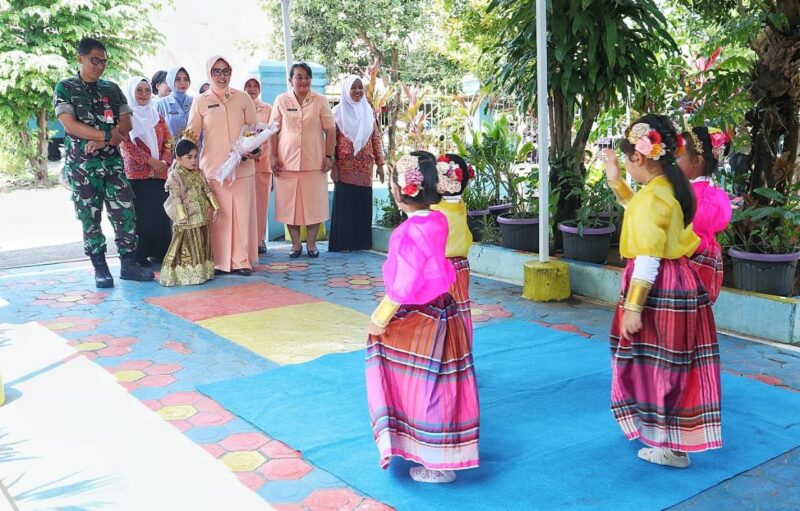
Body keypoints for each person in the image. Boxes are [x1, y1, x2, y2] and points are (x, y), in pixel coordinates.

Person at [603, 114, 721, 469]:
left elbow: (648, 256)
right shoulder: (670, 190)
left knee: (655, 368)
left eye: (627, 160)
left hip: (657, 290)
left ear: (639, 157)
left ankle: (664, 442)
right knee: (677, 366)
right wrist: (616, 181)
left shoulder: (653, 199)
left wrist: (634, 308)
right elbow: (642, 212)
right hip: (680, 284)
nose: (626, 165)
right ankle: (676, 443)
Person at [366, 153, 480, 484]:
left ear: (402, 191)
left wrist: (380, 318)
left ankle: (431, 455)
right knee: (440, 382)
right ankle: (438, 450)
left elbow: (403, 285)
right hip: (443, 310)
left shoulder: (405, 233)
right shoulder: (440, 220)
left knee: (419, 382)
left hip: (416, 317)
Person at [53, 37, 154, 288]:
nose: (99, 66)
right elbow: (70, 124)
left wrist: (104, 141)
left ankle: (128, 264)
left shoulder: (111, 88)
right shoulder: (65, 87)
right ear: (80, 58)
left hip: (112, 164)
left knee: (125, 211)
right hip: (83, 167)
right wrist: (107, 136)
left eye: (103, 61)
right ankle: (100, 267)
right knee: (90, 215)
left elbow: (126, 125)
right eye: (94, 60)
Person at [186, 55, 259, 275]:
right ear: (209, 73)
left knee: (242, 214)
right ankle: (217, 261)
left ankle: (242, 260)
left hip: (242, 167)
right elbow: (191, 134)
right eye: (217, 71)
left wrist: (252, 150)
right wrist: (185, 161)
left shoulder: (243, 97)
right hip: (214, 170)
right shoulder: (201, 101)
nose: (221, 75)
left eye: (226, 71)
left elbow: (255, 131)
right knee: (218, 216)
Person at [270, 62, 336, 258]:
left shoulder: (320, 100)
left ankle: (312, 245)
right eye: (299, 77)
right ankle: (296, 245)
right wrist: (272, 156)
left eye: (307, 77)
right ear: (290, 80)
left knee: (313, 206)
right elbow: (273, 130)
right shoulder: (281, 100)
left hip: (314, 162)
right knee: (289, 206)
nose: (303, 81)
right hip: (286, 162)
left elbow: (330, 129)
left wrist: (329, 156)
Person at [119, 76, 173, 267]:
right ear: (131, 93)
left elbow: (169, 140)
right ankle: (140, 256)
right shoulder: (126, 116)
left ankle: (160, 252)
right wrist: (150, 162)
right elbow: (125, 144)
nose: (143, 94)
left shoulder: (156, 115)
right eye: (139, 91)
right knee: (141, 216)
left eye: (147, 90)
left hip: (159, 174)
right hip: (138, 175)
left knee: (160, 214)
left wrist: (163, 162)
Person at [328, 75, 385, 252]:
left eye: (360, 87)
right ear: (346, 90)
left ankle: (361, 243)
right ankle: (343, 243)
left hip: (365, 166)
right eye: (353, 87)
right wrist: (333, 165)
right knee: (345, 204)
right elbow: (331, 141)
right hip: (345, 165)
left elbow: (376, 139)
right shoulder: (337, 113)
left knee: (362, 202)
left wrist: (381, 164)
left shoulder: (368, 111)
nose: (357, 91)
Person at [677, 126, 732, 303]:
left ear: (697, 161)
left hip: (690, 266)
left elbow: (693, 238)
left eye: (679, 155)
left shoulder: (695, 197)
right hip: (703, 266)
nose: (674, 160)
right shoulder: (715, 192)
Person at [160, 139, 219, 286]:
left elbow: (207, 190)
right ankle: (185, 275)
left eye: (195, 156)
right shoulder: (175, 175)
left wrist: (215, 206)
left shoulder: (199, 173)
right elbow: (176, 197)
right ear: (178, 159)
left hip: (201, 215)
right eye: (189, 157)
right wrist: (181, 217)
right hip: (186, 218)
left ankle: (202, 273)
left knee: (201, 243)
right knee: (187, 245)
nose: (194, 160)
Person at [431, 153, 475, 342]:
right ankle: (463, 350)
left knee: (440, 311)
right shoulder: (460, 205)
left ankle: (445, 354)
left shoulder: (435, 208)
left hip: (440, 265)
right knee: (461, 308)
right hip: (461, 265)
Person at [243, 74, 273, 254]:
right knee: (245, 204)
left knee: (261, 204)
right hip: (243, 163)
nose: (252, 89)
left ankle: (259, 240)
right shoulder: (239, 106)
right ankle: (245, 241)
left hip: (263, 163)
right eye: (248, 85)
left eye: (255, 86)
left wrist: (260, 150)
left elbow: (272, 135)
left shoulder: (268, 108)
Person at [156, 66, 193, 136]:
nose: (183, 83)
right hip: (170, 146)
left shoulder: (195, 101)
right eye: (178, 79)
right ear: (170, 80)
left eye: (186, 79)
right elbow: (157, 131)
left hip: (195, 145)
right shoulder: (161, 104)